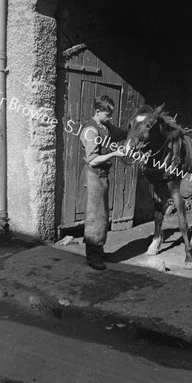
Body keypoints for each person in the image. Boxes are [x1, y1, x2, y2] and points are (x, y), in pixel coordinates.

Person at [79, 95, 127, 271]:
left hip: (103, 176)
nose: (110, 118)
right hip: (94, 176)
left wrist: (134, 131)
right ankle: (93, 257)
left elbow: (119, 133)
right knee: (94, 216)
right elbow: (92, 160)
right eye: (107, 114)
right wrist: (114, 154)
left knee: (102, 215)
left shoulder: (105, 126)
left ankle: (98, 250)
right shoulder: (90, 131)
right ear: (97, 111)